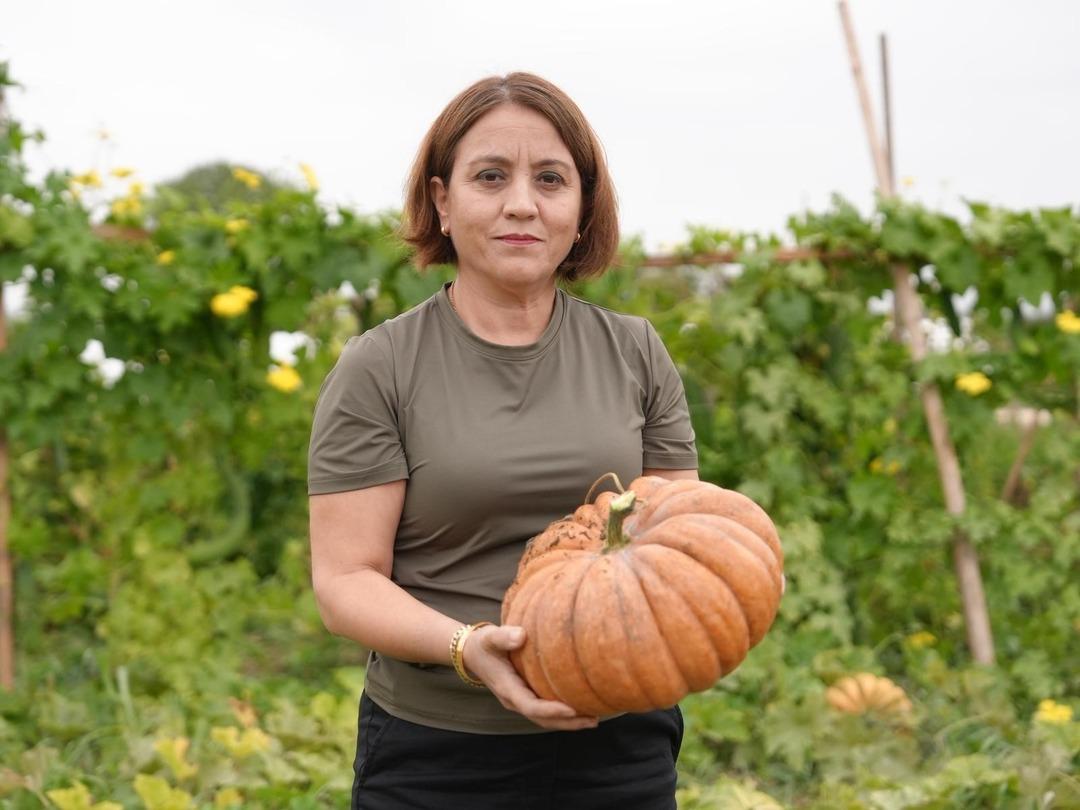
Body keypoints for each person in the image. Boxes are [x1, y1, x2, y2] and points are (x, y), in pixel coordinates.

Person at [307, 72, 699, 809]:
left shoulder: (635, 352)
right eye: (491, 176)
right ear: (443, 202)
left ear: (582, 209)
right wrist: (469, 648)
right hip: (439, 751)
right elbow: (344, 582)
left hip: (619, 743)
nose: (522, 202)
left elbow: (679, 540)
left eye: (551, 179)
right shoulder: (380, 366)